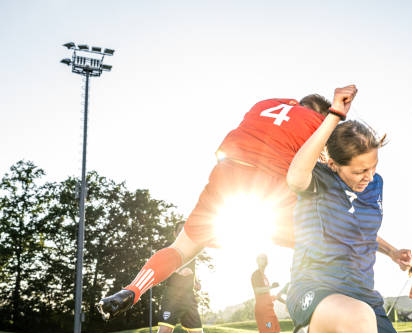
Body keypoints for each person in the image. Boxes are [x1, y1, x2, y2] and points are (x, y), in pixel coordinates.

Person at [97, 87, 348, 320]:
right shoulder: (319, 122)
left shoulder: (266, 103)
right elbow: (332, 161)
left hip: (226, 173)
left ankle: (133, 288)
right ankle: (327, 304)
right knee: (325, 238)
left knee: (182, 248)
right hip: (272, 183)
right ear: (320, 111)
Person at [285, 85, 412, 333]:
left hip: (365, 299)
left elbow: (360, 231)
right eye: (360, 170)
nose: (368, 176)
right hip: (315, 292)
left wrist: (392, 253)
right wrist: (334, 115)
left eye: (373, 167)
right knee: (359, 317)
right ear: (334, 164)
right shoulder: (317, 179)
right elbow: (294, 176)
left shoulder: (375, 185)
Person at [123, 222, 231, 333]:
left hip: (189, 299)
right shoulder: (171, 252)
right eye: (181, 230)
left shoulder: (193, 252)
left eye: (187, 230)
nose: (185, 233)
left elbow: (191, 271)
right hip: (173, 298)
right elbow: (162, 269)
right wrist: (178, 271)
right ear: (175, 234)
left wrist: (195, 282)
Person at [236, 254, 286, 333]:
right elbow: (258, 291)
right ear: (257, 261)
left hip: (270, 310)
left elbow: (266, 294)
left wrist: (279, 298)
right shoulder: (256, 274)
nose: (263, 261)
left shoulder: (265, 277)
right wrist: (271, 288)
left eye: (265, 259)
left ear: (267, 262)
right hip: (263, 313)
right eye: (260, 259)